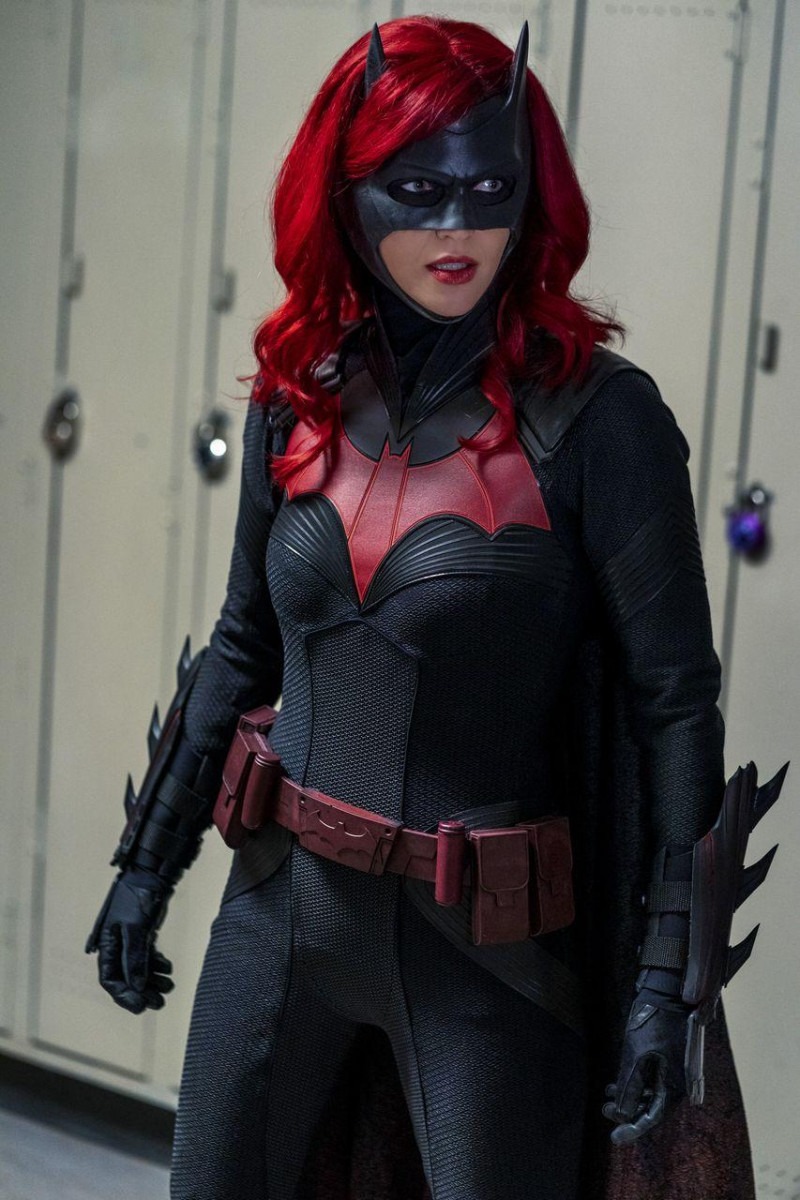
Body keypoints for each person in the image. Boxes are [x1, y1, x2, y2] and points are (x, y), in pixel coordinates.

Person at [87, 17, 785, 1200]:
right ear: (342, 193)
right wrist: (145, 866)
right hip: (280, 909)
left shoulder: (597, 420)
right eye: (415, 190)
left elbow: (673, 704)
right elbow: (244, 643)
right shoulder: (299, 396)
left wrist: (668, 987)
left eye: (490, 190)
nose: (458, 228)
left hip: (487, 953)